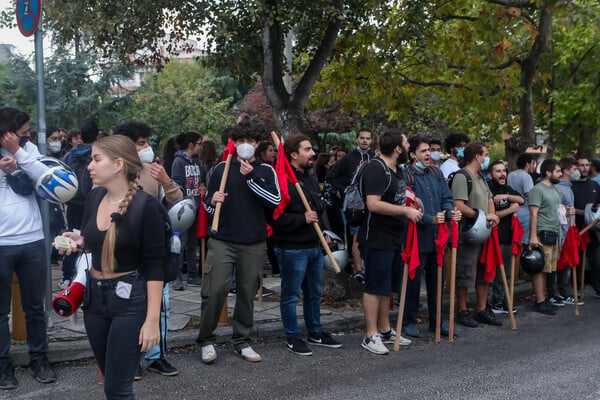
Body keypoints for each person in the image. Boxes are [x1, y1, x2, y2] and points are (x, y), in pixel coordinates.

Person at [59, 135, 165, 399]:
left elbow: (155, 266)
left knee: (117, 389)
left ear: (118, 164)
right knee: (112, 379)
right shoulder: (95, 198)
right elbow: (95, 240)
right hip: (94, 300)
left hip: (130, 302)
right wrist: (78, 241)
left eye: (96, 159)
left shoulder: (146, 206)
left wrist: (152, 320)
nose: (90, 167)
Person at [197, 119, 280, 364]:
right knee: (215, 289)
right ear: (234, 143)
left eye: (250, 141)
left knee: (246, 292)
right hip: (223, 239)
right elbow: (209, 210)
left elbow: (273, 202)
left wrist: (252, 177)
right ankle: (206, 340)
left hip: (253, 242)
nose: (245, 145)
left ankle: (242, 341)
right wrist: (212, 202)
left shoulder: (266, 170)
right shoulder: (221, 169)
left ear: (257, 144)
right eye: (241, 141)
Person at [113, 122, 183, 378]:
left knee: (160, 306)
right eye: (140, 143)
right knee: (129, 307)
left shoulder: (153, 171)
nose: (146, 147)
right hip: (125, 253)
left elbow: (178, 202)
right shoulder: (113, 171)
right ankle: (131, 359)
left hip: (155, 251)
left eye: (146, 142)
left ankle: (155, 356)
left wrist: (166, 181)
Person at [0, 107, 57, 390]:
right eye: (21, 132)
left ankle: (40, 360)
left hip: (33, 239)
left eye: (26, 133)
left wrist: (19, 154)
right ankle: (3, 367)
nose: (26, 136)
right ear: (6, 131)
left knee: (35, 307)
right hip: (1, 244)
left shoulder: (28, 148)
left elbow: (46, 177)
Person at [270, 134, 342, 355]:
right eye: (307, 149)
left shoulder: (310, 177)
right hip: (292, 248)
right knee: (291, 295)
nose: (313, 154)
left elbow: (318, 210)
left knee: (314, 292)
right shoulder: (281, 180)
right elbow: (275, 219)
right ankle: (292, 337)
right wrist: (302, 219)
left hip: (313, 245)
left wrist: (325, 233)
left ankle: (315, 331)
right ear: (293, 154)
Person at [359, 128, 422, 355]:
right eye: (406, 145)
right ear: (397, 149)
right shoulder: (376, 168)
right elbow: (373, 204)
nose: (408, 149)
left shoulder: (397, 170)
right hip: (376, 237)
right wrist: (405, 211)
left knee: (386, 287)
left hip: (394, 237)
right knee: (375, 286)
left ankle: (385, 330)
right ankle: (370, 334)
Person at [403, 135, 459, 338]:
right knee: (413, 282)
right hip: (417, 238)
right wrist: (429, 219)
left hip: (438, 238)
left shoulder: (436, 173)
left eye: (429, 150)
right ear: (412, 155)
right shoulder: (406, 176)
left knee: (438, 282)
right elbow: (406, 205)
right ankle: (409, 320)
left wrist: (448, 211)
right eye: (423, 151)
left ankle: (437, 321)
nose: (428, 154)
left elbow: (447, 197)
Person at [451, 141, 501, 328]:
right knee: (465, 273)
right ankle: (462, 310)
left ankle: (481, 309)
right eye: (485, 154)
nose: (487, 158)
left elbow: (489, 199)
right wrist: (480, 216)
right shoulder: (462, 177)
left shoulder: (480, 177)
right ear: (476, 156)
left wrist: (491, 215)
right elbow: (459, 204)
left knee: (483, 272)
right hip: (467, 233)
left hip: (484, 232)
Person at [327, 128, 375, 282]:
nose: (365, 141)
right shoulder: (348, 158)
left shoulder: (374, 157)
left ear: (372, 140)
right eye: (362, 138)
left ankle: (370, 267)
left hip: (373, 201)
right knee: (356, 236)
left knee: (372, 235)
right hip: (355, 204)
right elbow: (331, 176)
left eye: (368, 138)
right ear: (356, 139)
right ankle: (358, 269)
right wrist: (344, 188)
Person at [61, 121, 98, 289]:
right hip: (92, 203)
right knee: (91, 239)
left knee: (71, 237)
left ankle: (67, 276)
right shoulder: (97, 154)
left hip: (73, 204)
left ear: (81, 136)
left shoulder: (70, 154)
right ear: (97, 136)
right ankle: (89, 275)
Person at [486, 160, 524, 314]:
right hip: (494, 237)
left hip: (508, 236)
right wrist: (511, 209)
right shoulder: (488, 189)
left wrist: (507, 197)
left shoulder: (507, 189)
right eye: (498, 171)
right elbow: (493, 215)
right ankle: (489, 304)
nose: (502, 174)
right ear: (490, 174)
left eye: (504, 171)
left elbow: (521, 199)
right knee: (492, 273)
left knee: (506, 274)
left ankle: (501, 302)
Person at [528, 159, 564, 315]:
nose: (560, 174)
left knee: (547, 269)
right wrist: (533, 236)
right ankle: (540, 301)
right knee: (539, 267)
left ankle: (543, 298)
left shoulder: (555, 189)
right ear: (548, 172)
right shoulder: (538, 189)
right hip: (542, 232)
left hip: (554, 232)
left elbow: (556, 210)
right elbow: (533, 213)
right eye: (557, 171)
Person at [171, 131, 204, 290]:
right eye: (199, 143)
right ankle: (176, 277)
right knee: (181, 243)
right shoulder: (178, 162)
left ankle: (193, 274)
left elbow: (199, 182)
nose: (201, 147)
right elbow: (176, 184)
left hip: (196, 206)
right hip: (184, 209)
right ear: (191, 144)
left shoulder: (196, 162)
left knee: (192, 243)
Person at [547, 157, 580, 307]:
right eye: (574, 169)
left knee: (564, 262)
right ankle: (556, 293)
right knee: (557, 263)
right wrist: (566, 214)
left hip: (567, 231)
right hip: (560, 231)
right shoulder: (559, 188)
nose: (577, 172)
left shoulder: (568, 186)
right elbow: (556, 211)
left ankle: (563, 292)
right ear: (567, 171)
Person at [572, 157, 600, 298]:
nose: (584, 168)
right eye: (581, 165)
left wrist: (593, 211)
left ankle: (598, 289)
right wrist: (580, 212)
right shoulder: (571, 185)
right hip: (576, 228)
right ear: (576, 167)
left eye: (586, 165)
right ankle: (576, 289)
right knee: (576, 259)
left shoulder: (595, 185)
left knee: (596, 261)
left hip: (593, 229)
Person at [507, 153, 535, 246]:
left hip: (512, 210)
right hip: (525, 213)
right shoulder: (526, 176)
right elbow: (529, 194)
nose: (533, 166)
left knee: (513, 242)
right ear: (527, 164)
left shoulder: (510, 174)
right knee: (522, 243)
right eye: (532, 163)